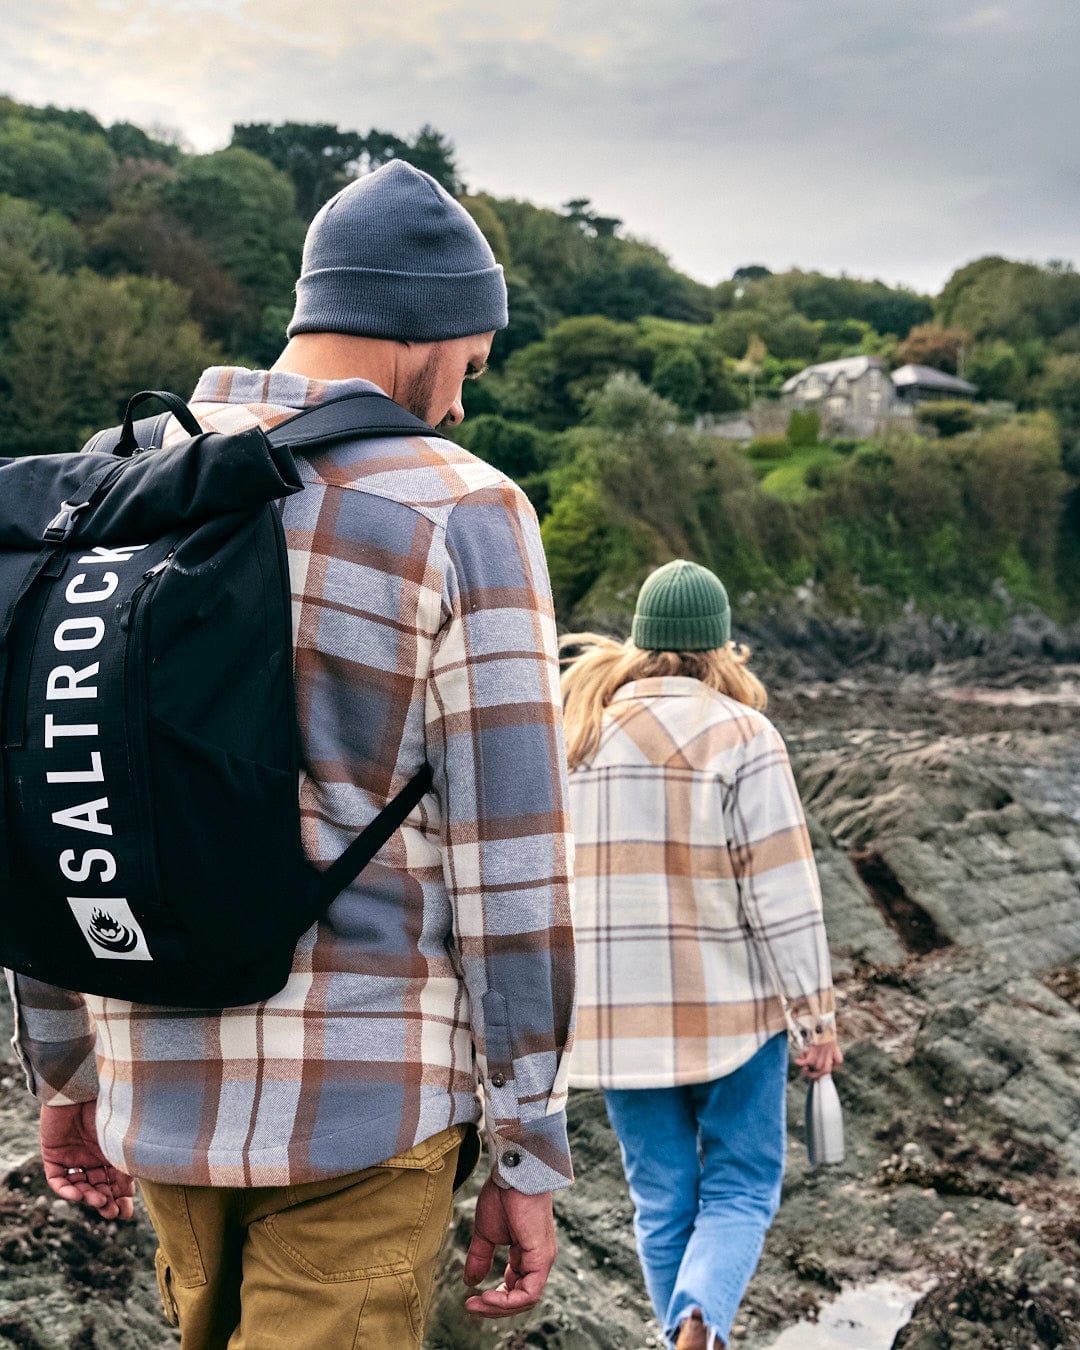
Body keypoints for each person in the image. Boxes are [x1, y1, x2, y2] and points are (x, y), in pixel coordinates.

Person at [9, 160, 576, 1349]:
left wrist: (65, 1080)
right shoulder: (459, 509)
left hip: (157, 1077)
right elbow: (512, 861)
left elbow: (49, 792)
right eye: (468, 367)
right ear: (423, 332)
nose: (463, 406)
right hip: (366, 1110)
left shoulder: (121, 487)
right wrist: (529, 1146)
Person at [560, 559, 841, 1350]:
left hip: (614, 1024)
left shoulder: (574, 737)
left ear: (642, 640)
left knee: (661, 1201)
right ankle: (698, 1324)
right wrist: (816, 1021)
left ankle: (688, 1332)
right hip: (730, 1015)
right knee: (742, 1187)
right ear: (720, 645)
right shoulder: (743, 735)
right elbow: (783, 893)